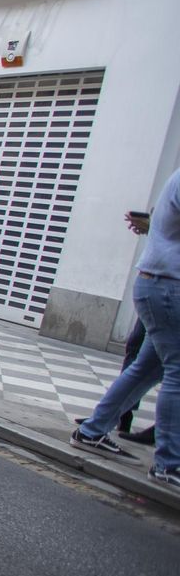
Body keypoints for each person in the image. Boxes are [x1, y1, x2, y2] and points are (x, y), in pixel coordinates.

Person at [70, 170, 180, 490]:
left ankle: (92, 431)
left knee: (148, 368)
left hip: (160, 285)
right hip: (169, 287)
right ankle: (169, 464)